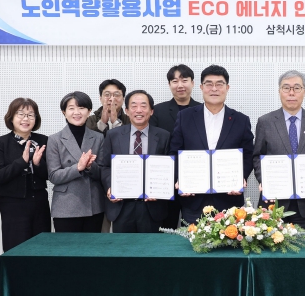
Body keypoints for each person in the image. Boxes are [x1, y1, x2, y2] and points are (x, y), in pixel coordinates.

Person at [169, 65, 254, 224]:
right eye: (209, 84)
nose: (214, 89)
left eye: (219, 84)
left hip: (229, 200)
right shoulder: (185, 117)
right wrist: (180, 179)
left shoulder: (241, 120)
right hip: (193, 199)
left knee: (231, 239)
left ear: (227, 88)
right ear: (201, 87)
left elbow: (248, 154)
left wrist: (241, 177)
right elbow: (175, 152)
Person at [253, 70, 305, 232]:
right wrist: (264, 180)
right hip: (273, 202)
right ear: (279, 91)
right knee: (270, 244)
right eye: (286, 88)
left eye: (297, 88)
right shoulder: (265, 122)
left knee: (302, 244)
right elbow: (257, 156)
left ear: (304, 92)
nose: (291, 93)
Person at [100, 90, 171, 233]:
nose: (139, 110)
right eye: (134, 106)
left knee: (151, 246)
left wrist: (160, 189)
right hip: (122, 205)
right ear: (127, 111)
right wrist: (110, 187)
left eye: (143, 106)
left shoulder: (164, 136)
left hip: (152, 206)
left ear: (151, 111)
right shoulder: (113, 135)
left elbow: (170, 168)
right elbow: (104, 166)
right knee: (123, 246)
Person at [0, 98, 50, 252]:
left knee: (42, 250)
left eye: (30, 115)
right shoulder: (0, 143)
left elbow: (50, 175)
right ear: (11, 117)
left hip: (39, 203)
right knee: (16, 250)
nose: (26, 119)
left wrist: (37, 164)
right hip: (13, 205)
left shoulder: (43, 140)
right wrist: (22, 162)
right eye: (21, 114)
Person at [150, 65, 201, 229]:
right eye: (175, 81)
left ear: (193, 83)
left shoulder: (203, 110)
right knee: (166, 228)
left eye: (184, 80)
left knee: (195, 228)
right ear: (169, 84)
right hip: (166, 180)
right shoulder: (157, 111)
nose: (180, 85)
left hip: (195, 179)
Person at [47, 91, 104, 232]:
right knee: (67, 246)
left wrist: (90, 167)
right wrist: (78, 167)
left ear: (89, 111)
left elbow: (103, 173)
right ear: (64, 112)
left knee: (93, 245)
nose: (76, 112)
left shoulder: (98, 137)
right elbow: (53, 176)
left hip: (93, 205)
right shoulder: (54, 139)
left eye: (81, 108)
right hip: (66, 207)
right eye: (71, 108)